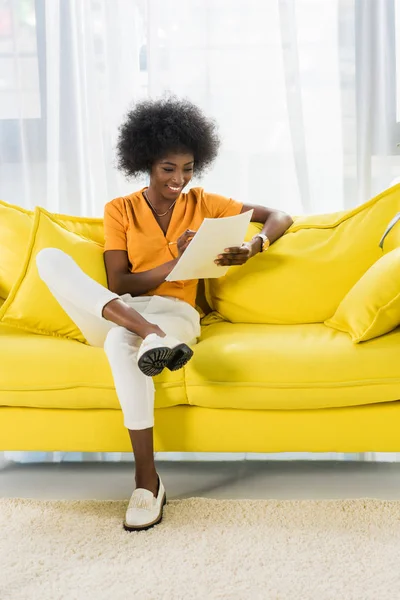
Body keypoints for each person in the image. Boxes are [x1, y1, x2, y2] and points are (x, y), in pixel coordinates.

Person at [36, 96, 293, 532]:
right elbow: (118, 282)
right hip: (119, 309)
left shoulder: (205, 202)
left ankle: (146, 482)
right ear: (147, 164)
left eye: (188, 167)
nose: (180, 178)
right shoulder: (120, 210)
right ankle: (149, 333)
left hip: (174, 313)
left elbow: (280, 216)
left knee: (122, 344)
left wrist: (253, 247)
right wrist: (177, 260)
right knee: (49, 258)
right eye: (168, 169)